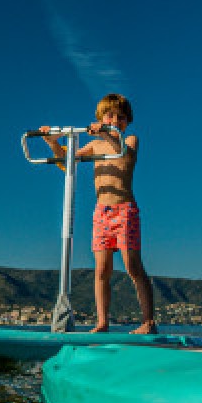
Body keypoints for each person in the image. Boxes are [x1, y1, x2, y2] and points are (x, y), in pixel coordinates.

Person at [40, 93, 156, 334]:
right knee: (102, 269)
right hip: (102, 213)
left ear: (127, 121)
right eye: (110, 115)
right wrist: (52, 142)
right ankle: (102, 322)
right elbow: (67, 161)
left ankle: (148, 322)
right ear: (100, 116)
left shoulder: (130, 139)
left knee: (132, 266)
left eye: (121, 117)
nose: (115, 119)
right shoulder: (94, 145)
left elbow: (124, 153)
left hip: (125, 210)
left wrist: (106, 133)